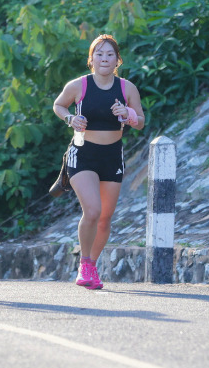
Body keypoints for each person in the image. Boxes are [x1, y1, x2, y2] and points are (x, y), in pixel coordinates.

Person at [52, 34, 144, 290]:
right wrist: (70, 118)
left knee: (104, 218)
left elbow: (141, 121)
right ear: (91, 59)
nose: (104, 58)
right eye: (99, 54)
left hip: (112, 155)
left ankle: (91, 265)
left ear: (117, 60)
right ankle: (84, 264)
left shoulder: (127, 88)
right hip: (82, 152)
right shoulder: (78, 86)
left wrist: (128, 114)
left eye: (110, 54)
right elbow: (58, 106)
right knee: (92, 211)